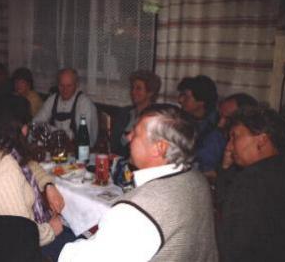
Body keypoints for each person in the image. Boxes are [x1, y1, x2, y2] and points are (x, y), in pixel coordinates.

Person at [59, 104, 218, 262]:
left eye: (135, 133)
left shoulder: (135, 213)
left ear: (158, 148)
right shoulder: (198, 179)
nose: (128, 137)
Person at [0, 95, 75, 262]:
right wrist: (52, 229)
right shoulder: (4, 170)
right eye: (27, 124)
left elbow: (30, 164)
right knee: (81, 243)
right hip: (2, 252)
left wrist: (48, 185)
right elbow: (22, 235)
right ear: (21, 127)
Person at [216, 106, 285, 262]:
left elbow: (232, 246)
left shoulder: (252, 180)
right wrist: (226, 168)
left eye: (234, 137)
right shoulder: (282, 167)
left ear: (262, 140)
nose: (229, 147)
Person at [33, 68, 98, 147]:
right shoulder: (53, 99)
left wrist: (50, 130)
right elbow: (36, 122)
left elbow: (83, 137)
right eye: (61, 85)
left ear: (77, 85)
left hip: (81, 150)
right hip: (57, 148)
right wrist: (58, 132)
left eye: (69, 86)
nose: (65, 90)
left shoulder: (84, 103)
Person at [177, 75, 226, 173]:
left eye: (186, 96)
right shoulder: (183, 119)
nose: (180, 100)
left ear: (201, 101)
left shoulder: (216, 128)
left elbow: (207, 163)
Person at [111, 69, 161, 156]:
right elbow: (114, 145)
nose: (133, 92)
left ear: (150, 93)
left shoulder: (155, 117)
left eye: (138, 88)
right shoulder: (124, 113)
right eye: (132, 88)